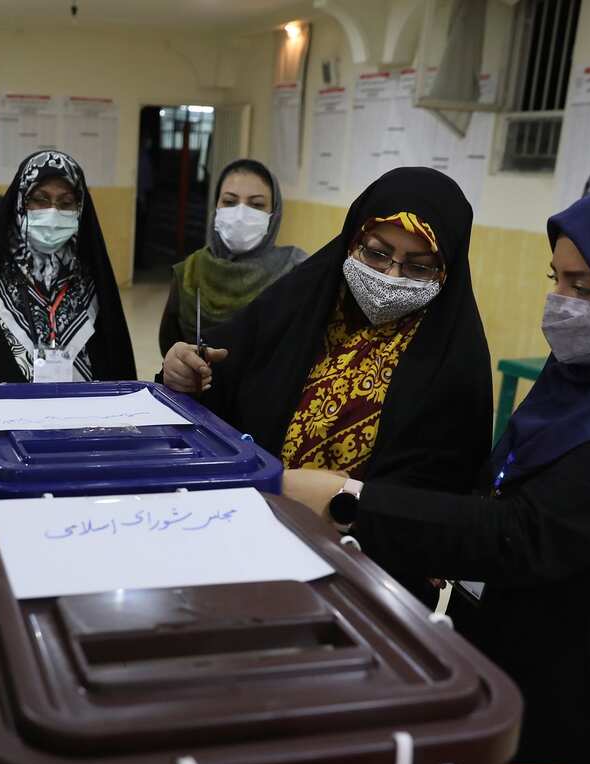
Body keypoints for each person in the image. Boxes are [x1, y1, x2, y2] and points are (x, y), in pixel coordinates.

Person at [284, 182, 590, 764]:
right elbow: (497, 490)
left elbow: (523, 535)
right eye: (556, 278)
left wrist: (349, 499)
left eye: (585, 288)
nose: (561, 304)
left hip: (587, 716)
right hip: (511, 669)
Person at [161, 167, 492, 602]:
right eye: (376, 254)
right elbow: (212, 387)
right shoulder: (294, 307)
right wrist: (181, 373)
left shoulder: (454, 363)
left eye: (418, 266)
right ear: (353, 240)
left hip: (366, 583)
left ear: (446, 271)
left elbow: (441, 500)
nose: (390, 276)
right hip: (243, 544)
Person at [0, 149, 137, 383]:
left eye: (66, 203)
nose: (52, 212)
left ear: (80, 209)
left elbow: (119, 369)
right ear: (20, 202)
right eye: (40, 199)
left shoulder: (94, 283)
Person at [157, 158, 307, 355]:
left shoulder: (294, 270)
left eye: (256, 204)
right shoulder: (190, 271)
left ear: (274, 213)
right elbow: (170, 346)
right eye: (229, 202)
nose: (240, 213)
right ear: (216, 208)